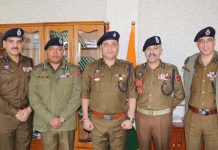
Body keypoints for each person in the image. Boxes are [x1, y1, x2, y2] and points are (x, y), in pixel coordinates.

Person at [81, 31, 137, 150]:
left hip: (119, 122)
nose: (110, 48)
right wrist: (85, 118)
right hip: (97, 122)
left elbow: (132, 94)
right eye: (106, 44)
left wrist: (130, 119)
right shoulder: (90, 67)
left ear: (118, 47)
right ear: (101, 47)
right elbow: (85, 94)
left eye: (113, 44)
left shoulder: (127, 67)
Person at [29, 38, 81, 150]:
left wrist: (61, 118)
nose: (55, 52)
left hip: (66, 123)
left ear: (63, 52)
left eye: (59, 49)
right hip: (46, 123)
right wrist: (50, 118)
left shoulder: (73, 70)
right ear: (46, 52)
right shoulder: (37, 71)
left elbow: (77, 97)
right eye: (51, 49)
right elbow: (33, 97)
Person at [135, 36, 185, 150]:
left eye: (155, 48)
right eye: (148, 49)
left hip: (162, 119)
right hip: (141, 118)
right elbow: (132, 93)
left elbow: (180, 94)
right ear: (144, 52)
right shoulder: (137, 70)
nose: (151, 52)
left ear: (161, 50)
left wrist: (167, 106)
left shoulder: (171, 69)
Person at [183, 26, 218, 150]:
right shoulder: (190, 63)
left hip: (214, 119)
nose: (205, 44)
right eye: (201, 41)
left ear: (214, 41)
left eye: (209, 40)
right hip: (193, 117)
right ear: (197, 44)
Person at [0, 28, 33, 150]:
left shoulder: (29, 62)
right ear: (4, 43)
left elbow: (35, 90)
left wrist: (29, 109)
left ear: (23, 44)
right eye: (11, 41)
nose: (15, 45)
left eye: (19, 41)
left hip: (25, 118)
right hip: (4, 119)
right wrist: (15, 112)